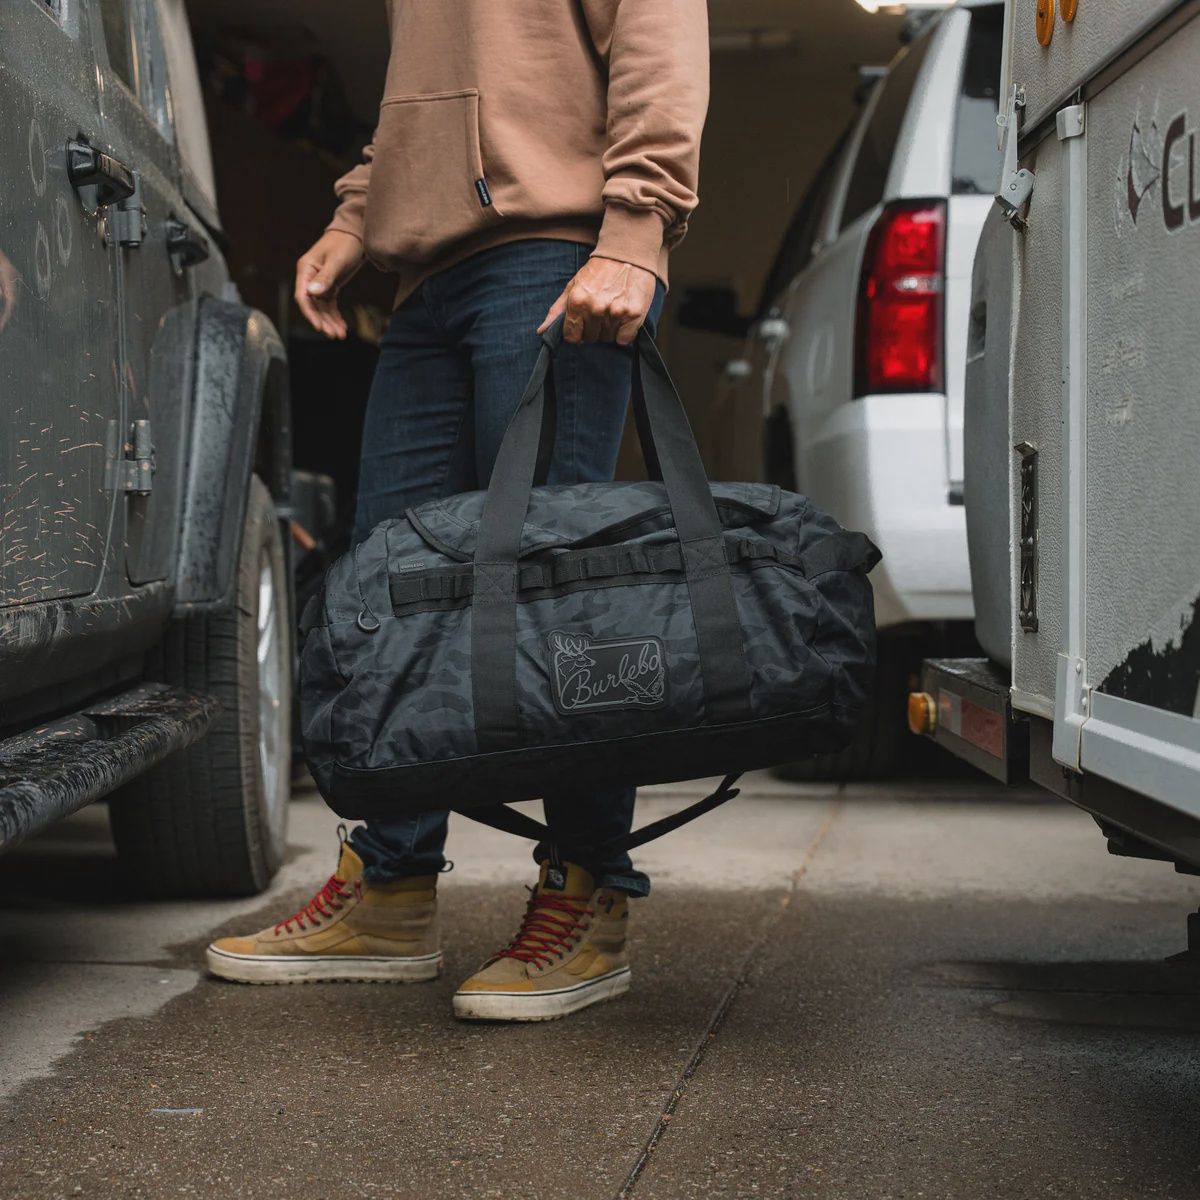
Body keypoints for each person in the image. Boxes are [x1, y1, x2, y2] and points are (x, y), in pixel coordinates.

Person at [207, 0, 709, 1022]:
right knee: (394, 591)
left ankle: (588, 888)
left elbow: (659, 30)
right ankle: (391, 885)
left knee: (557, 589)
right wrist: (357, 220)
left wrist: (639, 227)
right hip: (429, 276)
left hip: (551, 254)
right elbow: (419, 103)